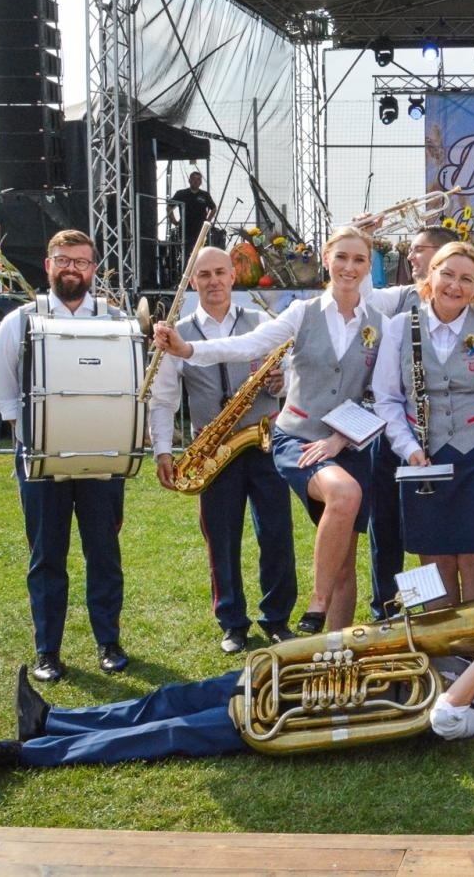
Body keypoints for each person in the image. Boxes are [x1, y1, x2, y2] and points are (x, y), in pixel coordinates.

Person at [154, 226, 387, 635]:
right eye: (341, 258)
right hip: (298, 437)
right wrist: (188, 349)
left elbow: (381, 395)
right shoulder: (302, 313)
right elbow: (248, 345)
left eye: (359, 260)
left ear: (369, 266)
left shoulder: (382, 324)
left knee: (346, 560)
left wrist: (341, 439)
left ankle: (334, 650)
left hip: (346, 444)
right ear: (327, 261)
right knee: (343, 494)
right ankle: (315, 606)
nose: (349, 267)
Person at [0, 623, 474, 769]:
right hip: (291, 682)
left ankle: (27, 754)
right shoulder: (458, 660)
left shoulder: (470, 720)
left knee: (171, 734)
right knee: (170, 699)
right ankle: (54, 720)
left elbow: (441, 717)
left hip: (292, 716)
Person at [0, 230, 132, 682]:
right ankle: (47, 650)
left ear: (93, 269)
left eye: (81, 262)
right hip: (41, 460)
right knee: (47, 556)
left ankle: (108, 642)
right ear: (48, 265)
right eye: (63, 260)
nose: (72, 268)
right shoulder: (22, 321)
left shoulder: (115, 320)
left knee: (104, 554)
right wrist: (32, 438)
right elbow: (5, 388)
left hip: (101, 459)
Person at [148, 247, 299, 653]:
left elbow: (291, 372)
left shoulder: (263, 322)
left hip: (263, 440)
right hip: (211, 448)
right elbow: (162, 400)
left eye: (220, 272)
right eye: (204, 275)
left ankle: (277, 619)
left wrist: (281, 384)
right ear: (193, 282)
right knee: (221, 537)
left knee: (277, 535)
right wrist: (164, 450)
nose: (213, 281)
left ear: (234, 276)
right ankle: (232, 622)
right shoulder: (176, 332)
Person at [373, 240, 474, 606]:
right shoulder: (400, 327)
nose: (455, 286)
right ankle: (443, 655)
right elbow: (387, 399)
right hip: (423, 462)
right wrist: (409, 448)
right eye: (447, 275)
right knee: (433, 563)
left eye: (466, 279)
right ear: (431, 275)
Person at [362, 224, 455, 621]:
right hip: (392, 428)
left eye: (418, 250)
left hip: (438, 434)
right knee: (385, 523)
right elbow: (363, 297)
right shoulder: (398, 297)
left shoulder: (460, 305)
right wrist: (362, 241)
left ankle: (426, 609)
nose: (410, 256)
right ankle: (388, 604)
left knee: (424, 531)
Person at [168, 170, 217, 253]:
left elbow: (213, 208)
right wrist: (174, 221)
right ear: (189, 180)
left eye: (198, 179)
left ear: (201, 182)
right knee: (186, 254)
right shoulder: (181, 193)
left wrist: (207, 221)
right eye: (193, 179)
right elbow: (169, 207)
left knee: (200, 253)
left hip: (200, 229)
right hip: (185, 229)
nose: (196, 181)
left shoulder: (205, 195)